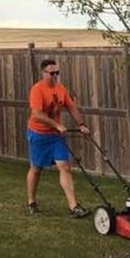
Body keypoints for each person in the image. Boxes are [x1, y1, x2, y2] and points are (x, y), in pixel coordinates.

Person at [25, 59, 90, 218]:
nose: (54, 76)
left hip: (55, 137)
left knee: (65, 167)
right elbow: (37, 114)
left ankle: (73, 206)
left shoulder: (61, 89)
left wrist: (81, 124)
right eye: (51, 73)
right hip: (38, 134)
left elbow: (71, 107)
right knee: (36, 169)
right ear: (43, 73)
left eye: (57, 73)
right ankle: (31, 202)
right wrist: (56, 124)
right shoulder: (37, 90)